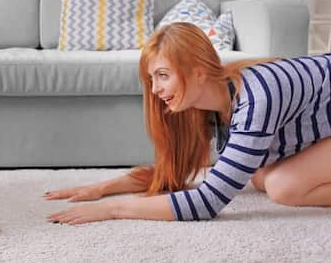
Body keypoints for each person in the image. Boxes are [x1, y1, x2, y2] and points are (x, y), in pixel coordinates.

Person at [45, 22, 331, 224]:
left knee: (283, 186)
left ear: (198, 73)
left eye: (162, 75)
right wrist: (103, 188)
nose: (155, 89)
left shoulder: (257, 98)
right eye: (151, 79)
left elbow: (208, 202)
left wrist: (113, 209)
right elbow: (176, 171)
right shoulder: (209, 103)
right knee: (257, 175)